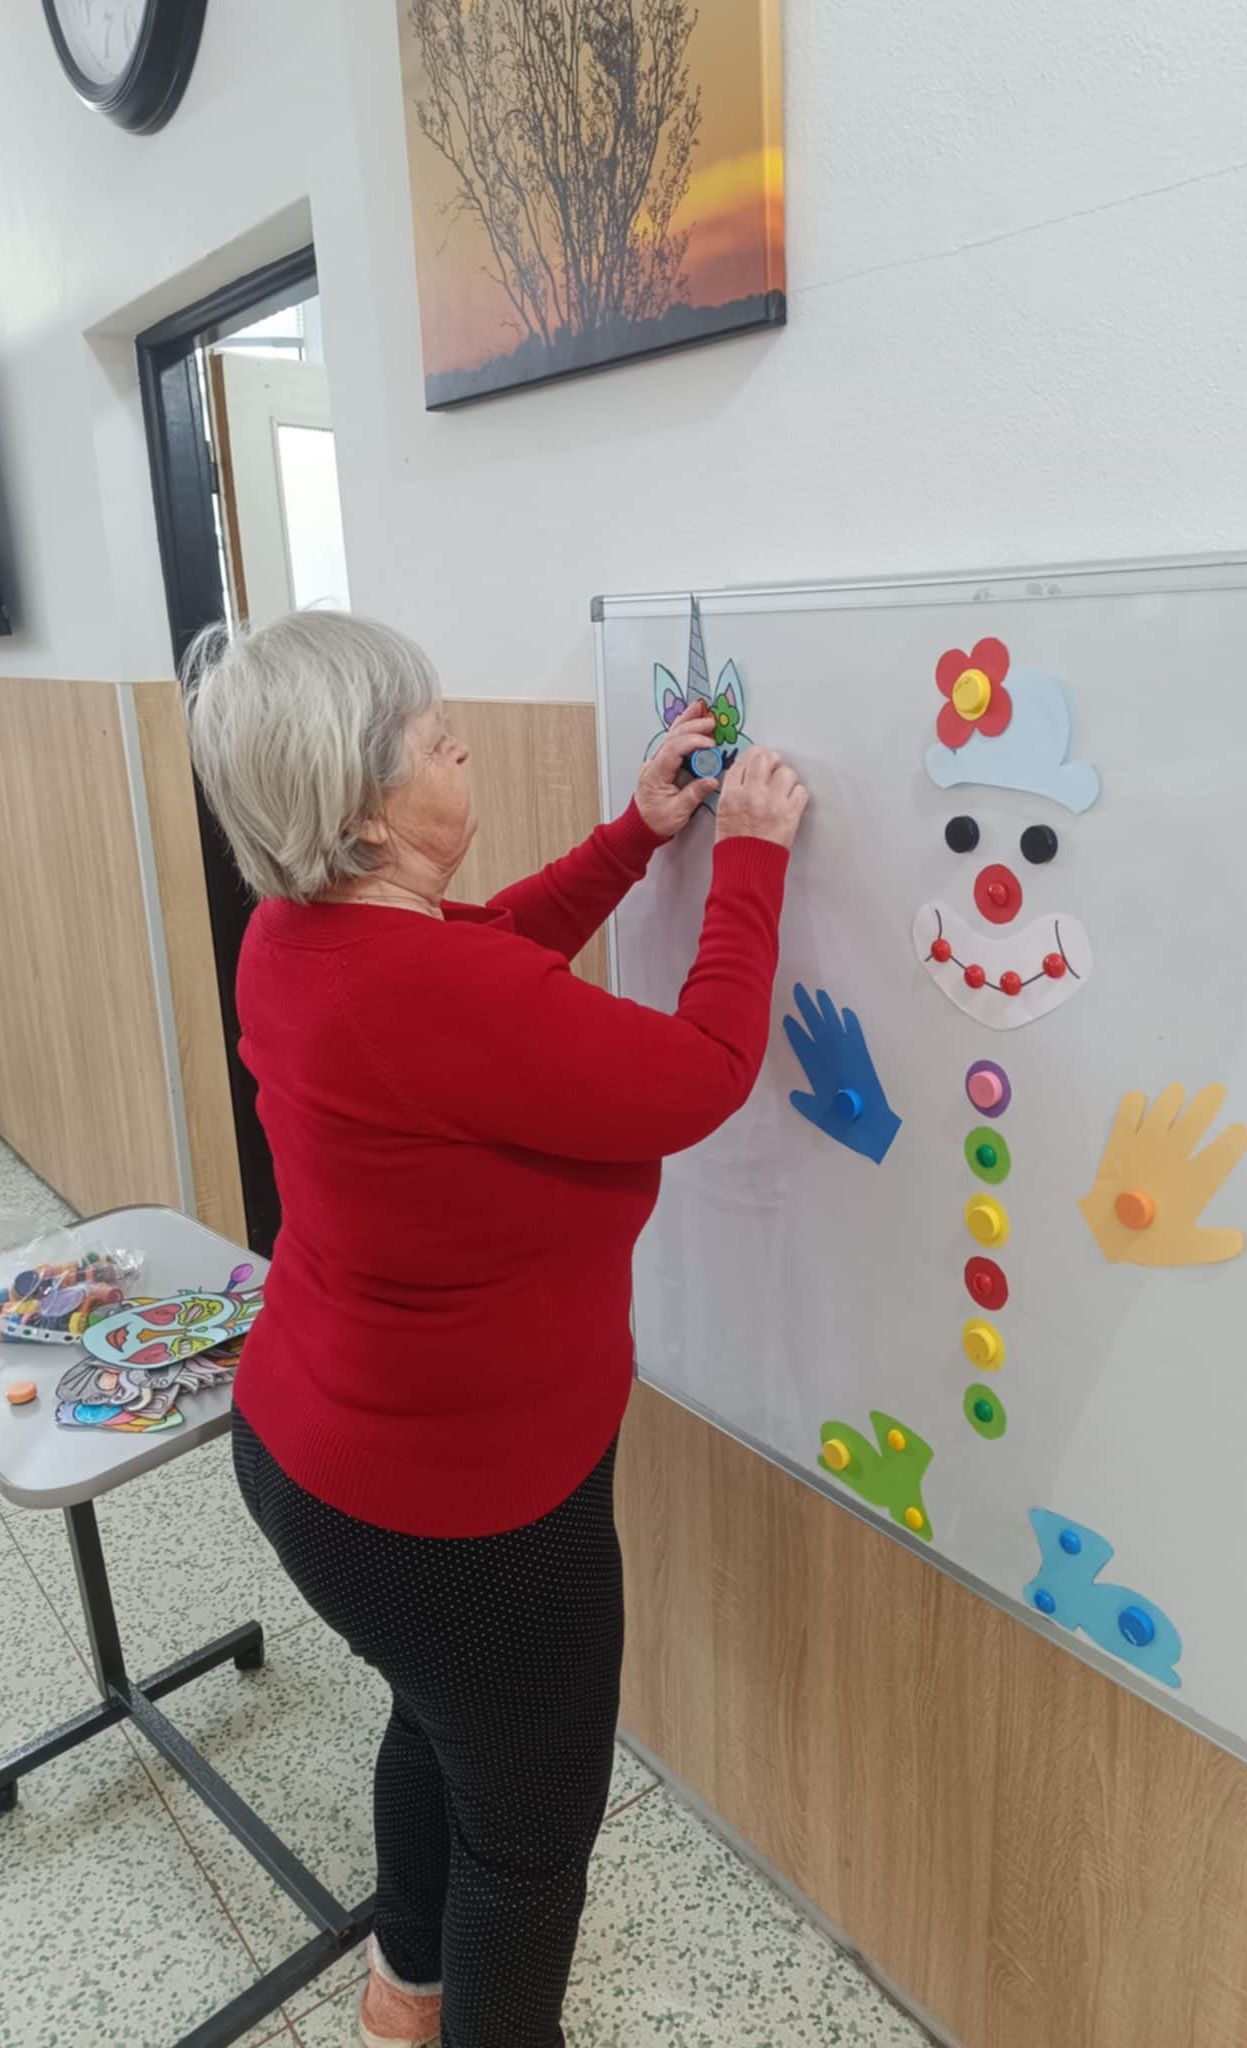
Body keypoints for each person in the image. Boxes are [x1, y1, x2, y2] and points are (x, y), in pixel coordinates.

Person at [184, 610, 806, 2048]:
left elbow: (491, 966)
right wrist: (752, 858)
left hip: (313, 1458)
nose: (462, 746)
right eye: (436, 738)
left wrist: (634, 838)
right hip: (458, 1518)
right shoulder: (427, 991)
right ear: (362, 811)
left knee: (436, 1717)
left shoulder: (294, 935)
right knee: (526, 1850)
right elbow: (701, 1071)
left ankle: (405, 1993)